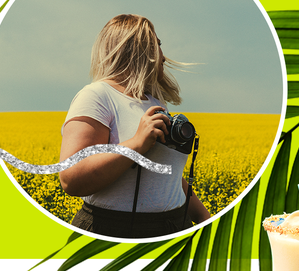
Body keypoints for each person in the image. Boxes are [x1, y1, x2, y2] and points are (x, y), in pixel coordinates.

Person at [59, 14, 210, 238]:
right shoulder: (96, 96)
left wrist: (207, 221)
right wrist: (136, 145)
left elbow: (169, 178)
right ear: (140, 48)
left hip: (174, 227)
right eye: (157, 44)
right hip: (114, 231)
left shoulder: (155, 102)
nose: (164, 57)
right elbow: (71, 179)